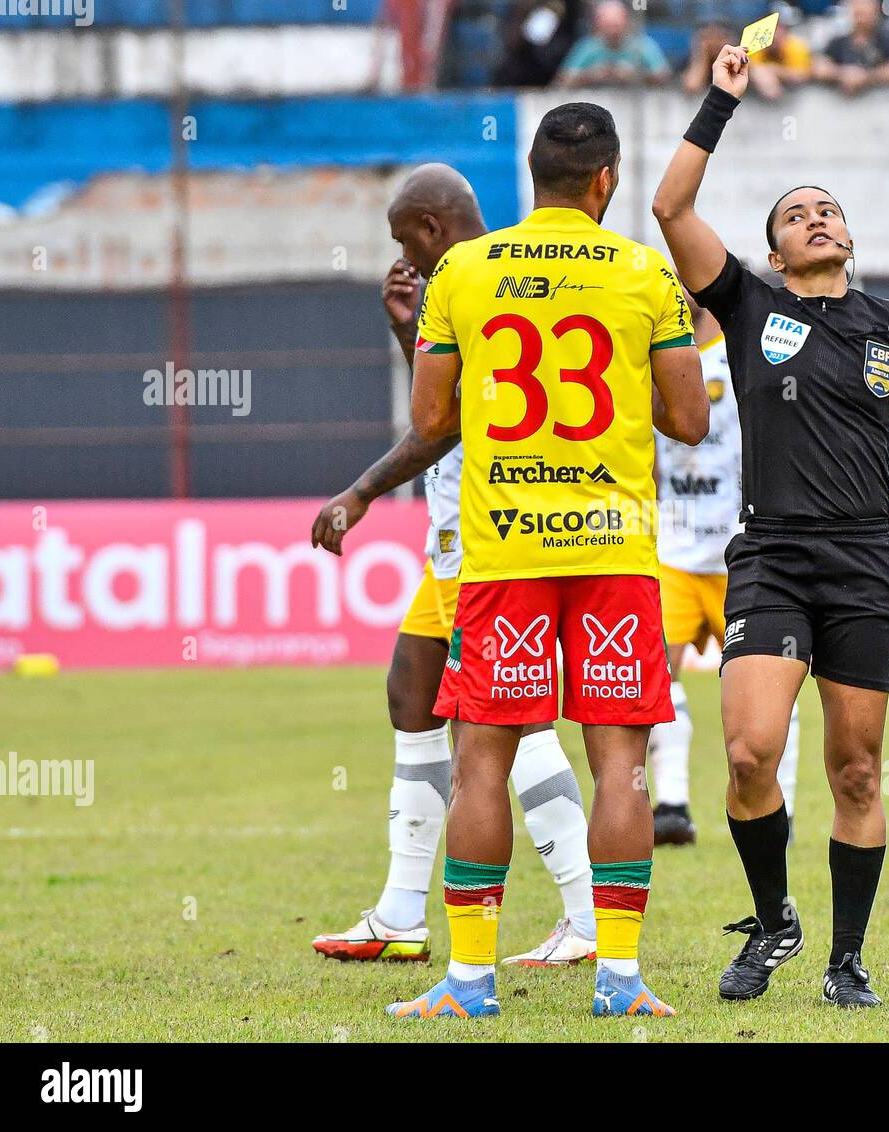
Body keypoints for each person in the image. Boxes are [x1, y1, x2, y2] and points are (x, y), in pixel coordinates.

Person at [652, 46, 889, 1008]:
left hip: (868, 559)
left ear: (849, 237)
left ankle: (846, 959)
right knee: (749, 751)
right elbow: (670, 209)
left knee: (856, 770)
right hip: (773, 556)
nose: (818, 217)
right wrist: (721, 102)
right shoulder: (748, 306)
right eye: (797, 213)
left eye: (830, 208)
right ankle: (775, 919)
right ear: (776, 252)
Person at [388, 103, 708, 1021]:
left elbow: (431, 423)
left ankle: (470, 984)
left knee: (483, 757)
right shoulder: (648, 273)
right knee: (622, 763)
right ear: (606, 181)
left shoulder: (463, 270)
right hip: (612, 549)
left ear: (532, 176)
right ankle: (619, 980)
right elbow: (688, 422)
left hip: (504, 551)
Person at [309, 164, 597, 971]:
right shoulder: (477, 279)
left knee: (510, 719)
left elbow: (451, 424)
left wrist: (360, 492)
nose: (403, 253)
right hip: (456, 534)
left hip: (493, 530)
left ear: (432, 229)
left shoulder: (483, 277)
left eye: (406, 239)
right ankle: (401, 913)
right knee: (412, 693)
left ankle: (585, 914)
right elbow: (447, 401)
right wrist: (408, 329)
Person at [649, 287, 800, 847]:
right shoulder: (659, 356)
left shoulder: (746, 352)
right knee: (654, 678)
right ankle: (671, 805)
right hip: (674, 551)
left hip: (745, 547)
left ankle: (779, 808)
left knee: (771, 687)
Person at [555, 0, 671, 88]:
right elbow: (564, 79)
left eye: (616, 26)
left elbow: (664, 76)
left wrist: (634, 75)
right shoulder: (587, 47)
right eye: (608, 26)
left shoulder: (642, 45)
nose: (612, 31)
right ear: (598, 24)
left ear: (626, 22)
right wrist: (591, 75)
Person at [813, 0, 889, 95]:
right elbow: (820, 66)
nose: (860, 7)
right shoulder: (839, 41)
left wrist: (866, 76)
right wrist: (841, 73)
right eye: (856, 3)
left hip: (883, 105)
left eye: (865, 3)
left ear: (876, 8)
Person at [493, 0, 584, 89]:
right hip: (522, 73)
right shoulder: (527, 13)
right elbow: (515, 41)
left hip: (549, 71)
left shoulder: (567, 12)